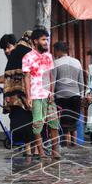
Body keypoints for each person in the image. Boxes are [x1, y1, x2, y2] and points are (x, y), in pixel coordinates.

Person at [23, 27, 61, 160]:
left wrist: (52, 91)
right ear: (35, 41)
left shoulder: (48, 56)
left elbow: (51, 75)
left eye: (47, 39)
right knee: (37, 125)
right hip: (35, 96)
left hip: (48, 95)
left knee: (54, 123)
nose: (46, 42)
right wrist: (28, 96)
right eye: (43, 40)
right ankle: (42, 153)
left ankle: (55, 151)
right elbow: (26, 78)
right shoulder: (27, 57)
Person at [2, 31, 34, 157]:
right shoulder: (28, 52)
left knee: (24, 122)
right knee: (31, 120)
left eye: (7, 47)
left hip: (18, 97)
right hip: (27, 95)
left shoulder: (16, 55)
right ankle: (35, 151)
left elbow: (8, 77)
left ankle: (29, 151)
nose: (6, 51)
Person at [52, 41, 85, 147]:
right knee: (73, 124)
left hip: (61, 97)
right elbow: (81, 81)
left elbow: (53, 82)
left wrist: (51, 95)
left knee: (65, 125)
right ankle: (74, 147)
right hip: (76, 96)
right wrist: (82, 96)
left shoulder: (56, 63)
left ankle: (66, 149)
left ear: (57, 50)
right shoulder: (77, 62)